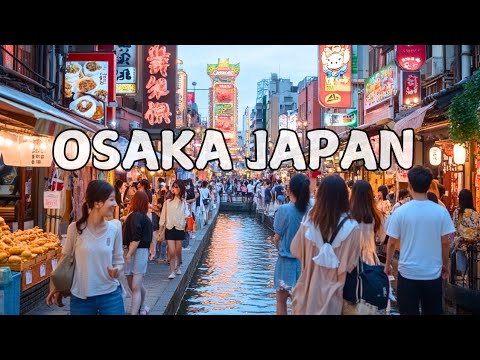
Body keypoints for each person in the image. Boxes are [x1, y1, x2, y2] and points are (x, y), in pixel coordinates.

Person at [46, 180, 125, 315]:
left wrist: (117, 269)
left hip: (110, 295)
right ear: (97, 203)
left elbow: (119, 260)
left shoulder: (115, 228)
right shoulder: (75, 229)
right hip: (81, 298)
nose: (115, 204)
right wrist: (56, 286)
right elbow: (65, 259)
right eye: (111, 200)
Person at [384, 166, 455, 315]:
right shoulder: (441, 211)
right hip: (432, 273)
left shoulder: (401, 211)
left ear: (409, 185)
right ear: (429, 186)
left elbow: (391, 242)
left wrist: (388, 264)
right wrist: (445, 264)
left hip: (407, 272)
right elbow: (445, 242)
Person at [290, 175, 361, 315]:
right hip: (335, 295)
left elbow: (295, 249)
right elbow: (351, 264)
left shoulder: (309, 222)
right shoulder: (352, 228)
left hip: (307, 292)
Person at [273, 174, 311, 315]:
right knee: (300, 304)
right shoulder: (311, 210)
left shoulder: (284, 210)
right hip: (305, 264)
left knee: (281, 301)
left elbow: (277, 238)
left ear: (290, 190)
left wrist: (280, 249)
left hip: (285, 262)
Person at [122, 191, 153, 315]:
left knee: (134, 286)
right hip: (140, 251)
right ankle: (143, 307)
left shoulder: (135, 216)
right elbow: (151, 237)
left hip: (136, 250)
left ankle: (134, 312)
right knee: (136, 285)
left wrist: (129, 254)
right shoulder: (144, 217)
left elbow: (136, 238)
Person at [159, 180, 190, 280]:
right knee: (171, 250)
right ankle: (172, 270)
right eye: (174, 187)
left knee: (178, 250)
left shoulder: (183, 202)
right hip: (169, 227)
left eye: (177, 187)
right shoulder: (167, 202)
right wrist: (160, 231)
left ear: (181, 189)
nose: (175, 189)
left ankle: (179, 264)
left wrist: (186, 218)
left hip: (180, 227)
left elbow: (187, 213)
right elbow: (163, 217)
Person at [349, 180, 385, 265]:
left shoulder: (347, 213)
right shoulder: (376, 214)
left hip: (351, 258)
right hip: (370, 257)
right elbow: (382, 237)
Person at [451, 189, 479, 277]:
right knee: (473, 268)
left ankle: (463, 281)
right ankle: (471, 282)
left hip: (460, 243)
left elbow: (454, 227)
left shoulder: (457, 212)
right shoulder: (475, 213)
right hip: (472, 244)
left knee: (461, 268)